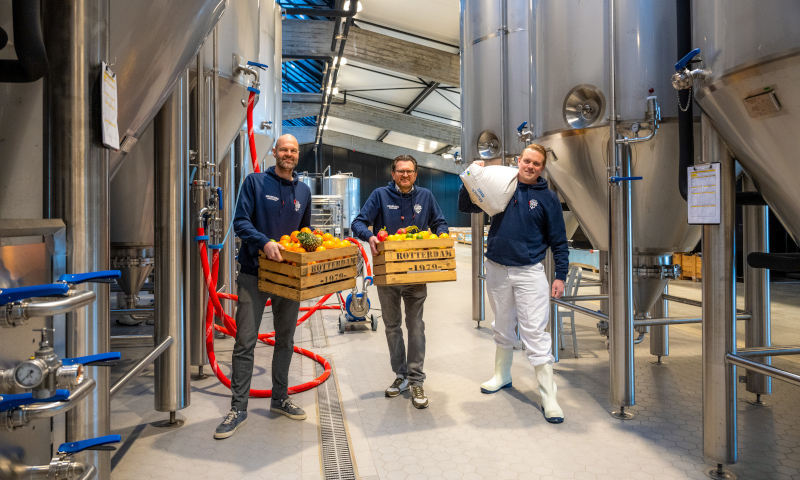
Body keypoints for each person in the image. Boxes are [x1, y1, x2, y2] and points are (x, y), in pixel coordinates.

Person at [457, 143, 569, 423]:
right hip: (496, 267)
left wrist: (560, 275)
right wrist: (470, 178)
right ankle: (502, 376)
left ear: (542, 168)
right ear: (519, 161)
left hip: (529, 271)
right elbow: (466, 204)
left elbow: (558, 240)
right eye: (527, 161)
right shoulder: (500, 185)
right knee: (503, 324)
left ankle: (549, 396)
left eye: (537, 164)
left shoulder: (548, 199)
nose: (530, 167)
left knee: (534, 332)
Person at [214, 134, 312, 439]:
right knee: (245, 342)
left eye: (293, 150)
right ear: (274, 152)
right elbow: (241, 222)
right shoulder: (255, 183)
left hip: (288, 278)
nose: (289, 154)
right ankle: (238, 408)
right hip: (254, 274)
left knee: (285, 340)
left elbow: (304, 233)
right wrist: (265, 243)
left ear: (298, 155)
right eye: (284, 149)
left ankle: (280, 398)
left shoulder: (304, 191)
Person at [351, 155, 449, 409]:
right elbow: (358, 223)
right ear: (393, 174)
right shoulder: (380, 196)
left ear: (416, 174)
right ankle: (401, 375)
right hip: (387, 274)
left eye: (410, 171)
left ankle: (417, 379)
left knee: (416, 325)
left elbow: (439, 223)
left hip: (416, 273)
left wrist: (442, 237)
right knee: (392, 326)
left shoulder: (426, 196)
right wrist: (370, 236)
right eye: (400, 171)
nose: (405, 175)